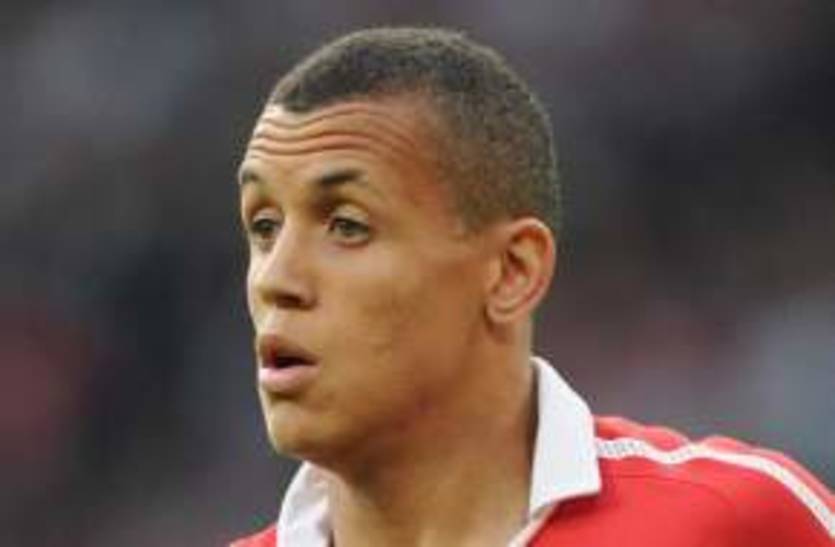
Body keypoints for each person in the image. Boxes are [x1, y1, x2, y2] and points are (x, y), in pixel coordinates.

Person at [230, 27, 834, 547]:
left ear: (512, 272)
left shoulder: (736, 521)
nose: (277, 279)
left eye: (347, 226)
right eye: (264, 227)